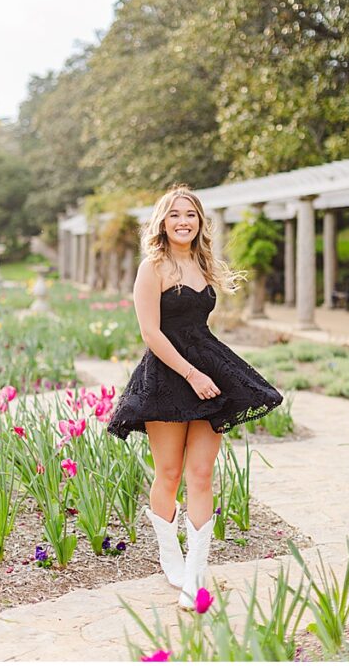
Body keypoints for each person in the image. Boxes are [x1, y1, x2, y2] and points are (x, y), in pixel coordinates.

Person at [107, 185, 283, 609]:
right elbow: (151, 333)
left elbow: (195, 326)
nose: (183, 221)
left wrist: (205, 372)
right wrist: (190, 373)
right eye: (174, 215)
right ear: (163, 223)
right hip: (168, 377)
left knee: (201, 475)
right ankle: (172, 558)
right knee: (168, 474)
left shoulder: (203, 263)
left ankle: (196, 577)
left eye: (191, 214)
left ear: (200, 222)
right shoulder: (153, 267)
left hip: (210, 371)